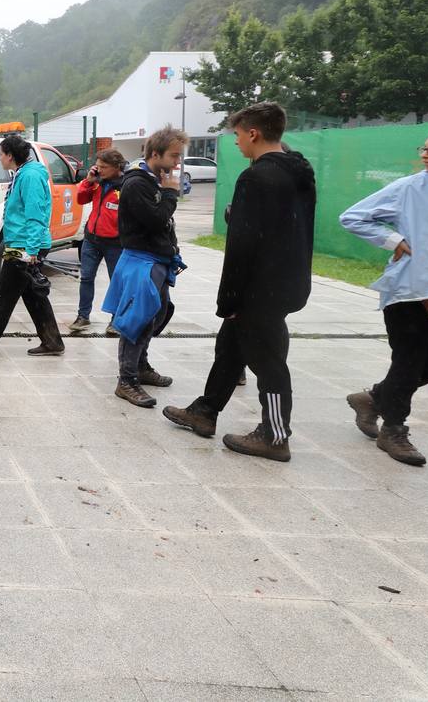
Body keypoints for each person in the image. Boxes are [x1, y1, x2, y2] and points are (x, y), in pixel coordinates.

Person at [162, 103, 316, 462]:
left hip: (259, 288)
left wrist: (229, 300)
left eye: (236, 134)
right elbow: (283, 224)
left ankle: (275, 435)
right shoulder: (299, 171)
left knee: (269, 362)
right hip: (289, 280)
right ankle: (205, 410)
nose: (235, 143)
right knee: (230, 346)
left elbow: (242, 248)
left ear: (253, 133)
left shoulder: (256, 177)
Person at [338, 123, 428, 467]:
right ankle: (394, 430)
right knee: (409, 358)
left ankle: (374, 398)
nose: (425, 154)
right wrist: (391, 240)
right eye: (424, 148)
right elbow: (352, 217)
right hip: (409, 291)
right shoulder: (411, 188)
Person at [101, 127, 186, 408]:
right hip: (140, 261)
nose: (177, 162)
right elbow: (156, 219)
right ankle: (126, 381)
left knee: (156, 315)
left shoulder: (152, 181)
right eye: (173, 155)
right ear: (154, 153)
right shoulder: (137, 184)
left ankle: (141, 366)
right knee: (135, 322)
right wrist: (171, 194)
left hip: (156, 260)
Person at [0, 136, 64, 357]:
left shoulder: (31, 177)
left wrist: (32, 251)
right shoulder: (24, 173)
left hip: (24, 247)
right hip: (23, 244)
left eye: (0, 154)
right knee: (34, 296)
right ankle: (52, 341)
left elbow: (35, 216)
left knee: (4, 297)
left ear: (10, 155)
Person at [68, 149, 127, 333]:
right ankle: (83, 316)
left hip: (115, 243)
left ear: (117, 167)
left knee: (116, 281)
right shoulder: (97, 182)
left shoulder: (126, 185)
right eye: (98, 166)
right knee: (86, 278)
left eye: (104, 167)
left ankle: (116, 319)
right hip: (92, 239)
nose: (99, 170)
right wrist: (88, 181)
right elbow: (80, 199)